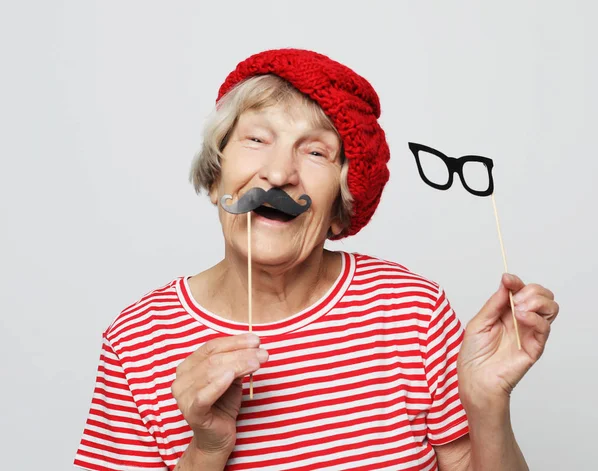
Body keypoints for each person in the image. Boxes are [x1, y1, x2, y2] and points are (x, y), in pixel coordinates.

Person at [74, 49, 559, 471]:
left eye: (316, 152)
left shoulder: (412, 308)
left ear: (339, 207)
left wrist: (487, 403)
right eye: (257, 139)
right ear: (217, 173)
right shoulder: (136, 342)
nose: (280, 173)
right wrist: (206, 449)